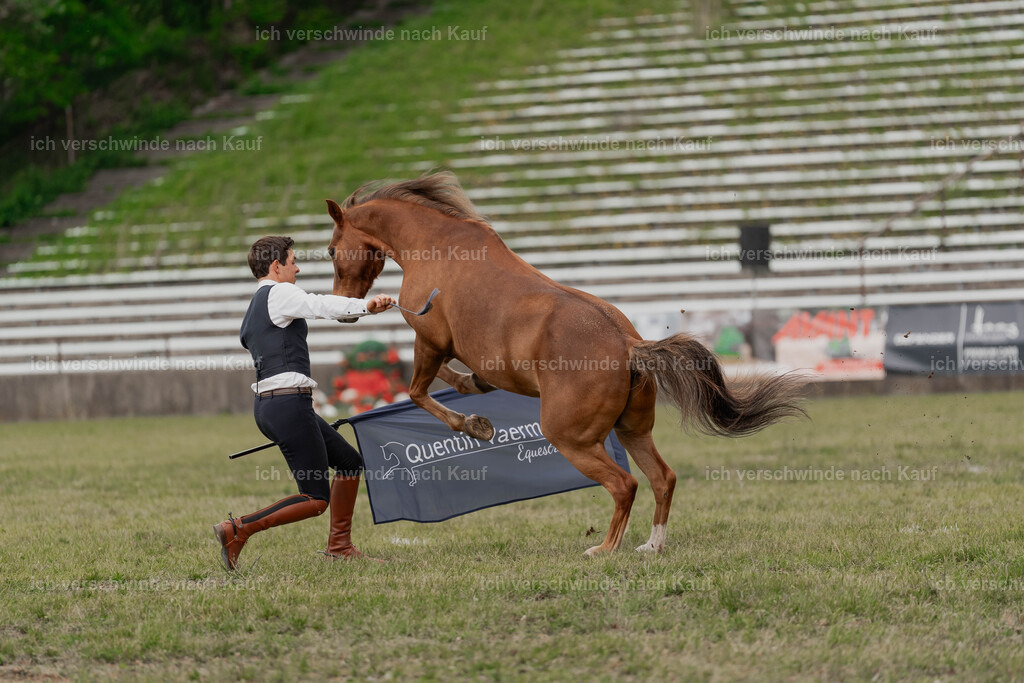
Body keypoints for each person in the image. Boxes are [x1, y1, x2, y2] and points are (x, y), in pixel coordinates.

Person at [213, 235, 395, 571]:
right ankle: (238, 528)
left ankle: (340, 546)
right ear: (276, 266)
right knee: (315, 499)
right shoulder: (279, 293)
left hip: (278, 406)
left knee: (349, 463)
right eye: (293, 261)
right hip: (288, 406)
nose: (297, 268)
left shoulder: (254, 308)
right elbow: (320, 305)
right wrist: (364, 305)